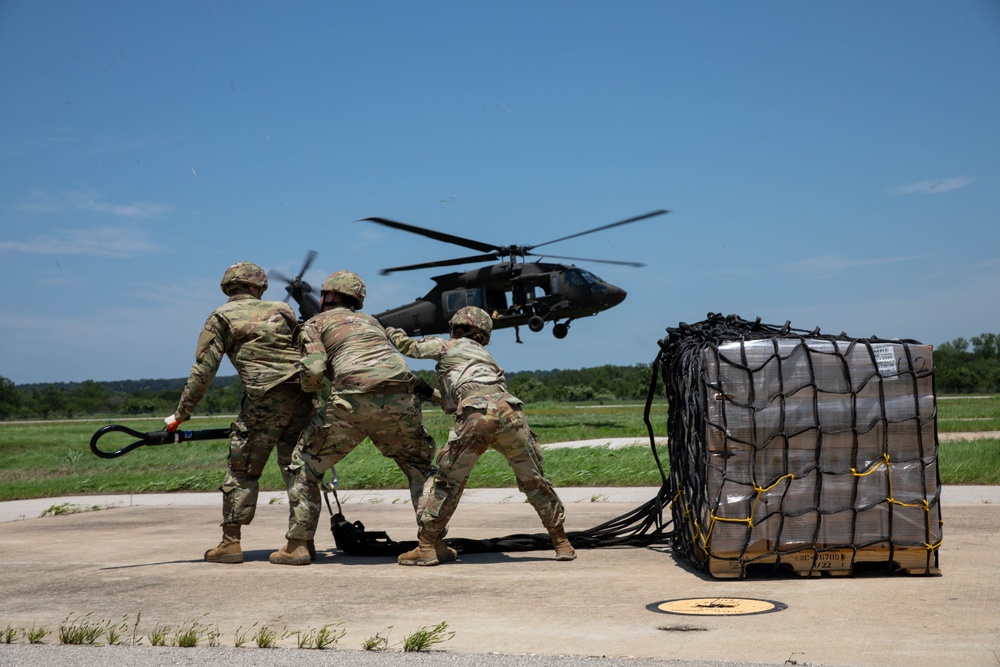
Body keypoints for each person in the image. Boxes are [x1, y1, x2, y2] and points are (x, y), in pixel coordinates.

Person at [270, 270, 439, 566]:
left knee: (304, 466)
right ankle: (432, 544)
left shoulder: (315, 323)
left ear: (328, 296)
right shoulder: (374, 323)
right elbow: (395, 368)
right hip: (401, 398)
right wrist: (438, 397)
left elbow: (313, 369)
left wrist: (310, 391)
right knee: (420, 470)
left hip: (353, 399)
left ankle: (297, 544)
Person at [386, 305, 575, 566]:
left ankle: (427, 546)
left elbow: (410, 348)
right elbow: (458, 400)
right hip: (511, 411)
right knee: (533, 480)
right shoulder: (487, 357)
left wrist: (390, 330)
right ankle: (561, 542)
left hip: (477, 415)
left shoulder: (447, 346)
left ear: (459, 328)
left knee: (448, 482)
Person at [164, 262, 315, 564]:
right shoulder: (282, 310)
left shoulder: (221, 317)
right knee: (299, 469)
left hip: (263, 400)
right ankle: (300, 543)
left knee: (242, 470)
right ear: (258, 287)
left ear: (228, 287)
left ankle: (230, 543)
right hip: (303, 395)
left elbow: (204, 371)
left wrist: (181, 414)